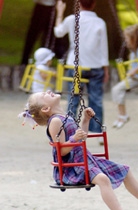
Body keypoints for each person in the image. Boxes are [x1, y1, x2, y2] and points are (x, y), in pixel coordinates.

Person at [18, 90, 138, 210]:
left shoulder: (65, 116)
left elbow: (81, 138)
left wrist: (85, 121)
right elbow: (61, 151)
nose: (48, 91)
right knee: (103, 179)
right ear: (45, 109)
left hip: (85, 160)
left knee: (124, 170)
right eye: (44, 95)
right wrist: (74, 139)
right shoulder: (55, 122)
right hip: (72, 167)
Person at [54, 0, 109, 137]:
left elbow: (58, 32)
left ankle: (69, 131)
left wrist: (59, 12)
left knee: (73, 99)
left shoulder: (72, 19)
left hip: (75, 65)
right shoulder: (100, 22)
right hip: (95, 65)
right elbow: (103, 48)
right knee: (96, 99)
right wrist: (105, 68)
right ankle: (96, 132)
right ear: (94, 4)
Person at [111, 24, 138, 129]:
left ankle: (123, 115)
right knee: (116, 90)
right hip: (133, 78)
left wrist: (135, 70)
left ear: (134, 39)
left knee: (117, 90)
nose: (125, 41)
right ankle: (121, 115)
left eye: (127, 38)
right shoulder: (134, 51)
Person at [21, 0, 68, 65]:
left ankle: (46, 59)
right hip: (41, 6)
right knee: (32, 34)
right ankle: (25, 59)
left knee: (50, 36)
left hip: (52, 6)